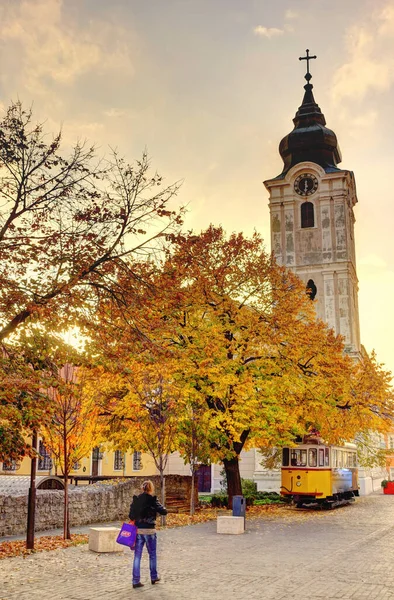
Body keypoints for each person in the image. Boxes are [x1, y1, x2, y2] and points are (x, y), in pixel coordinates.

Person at [129, 480, 167, 589]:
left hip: (139, 531)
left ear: (142, 488)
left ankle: (135, 581)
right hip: (150, 531)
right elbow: (164, 511)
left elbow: (131, 516)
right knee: (152, 554)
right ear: (151, 489)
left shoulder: (136, 500)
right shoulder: (153, 500)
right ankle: (154, 577)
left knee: (137, 556)